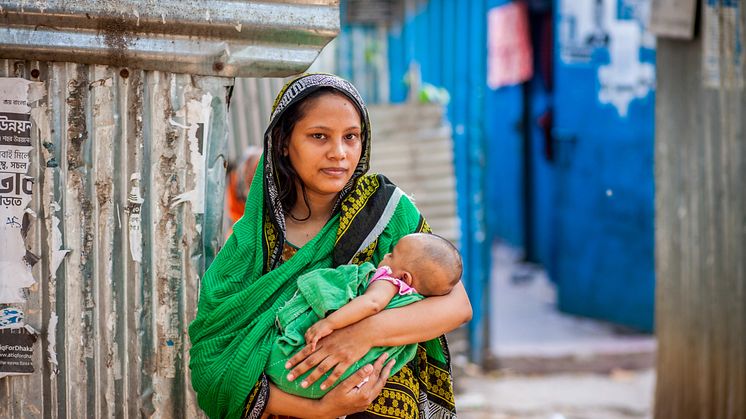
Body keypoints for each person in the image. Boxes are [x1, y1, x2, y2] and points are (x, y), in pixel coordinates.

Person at [188, 73, 472, 419]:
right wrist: (321, 409)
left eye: (351, 137)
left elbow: (456, 305)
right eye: (319, 136)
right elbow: (213, 365)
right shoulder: (251, 243)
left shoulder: (384, 210)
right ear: (282, 142)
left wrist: (362, 333)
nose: (339, 153)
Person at [266, 232, 463, 399]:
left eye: (392, 255)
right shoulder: (417, 302)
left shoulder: (390, 283)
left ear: (405, 277)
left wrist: (329, 322)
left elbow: (372, 304)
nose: (385, 255)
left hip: (299, 371)